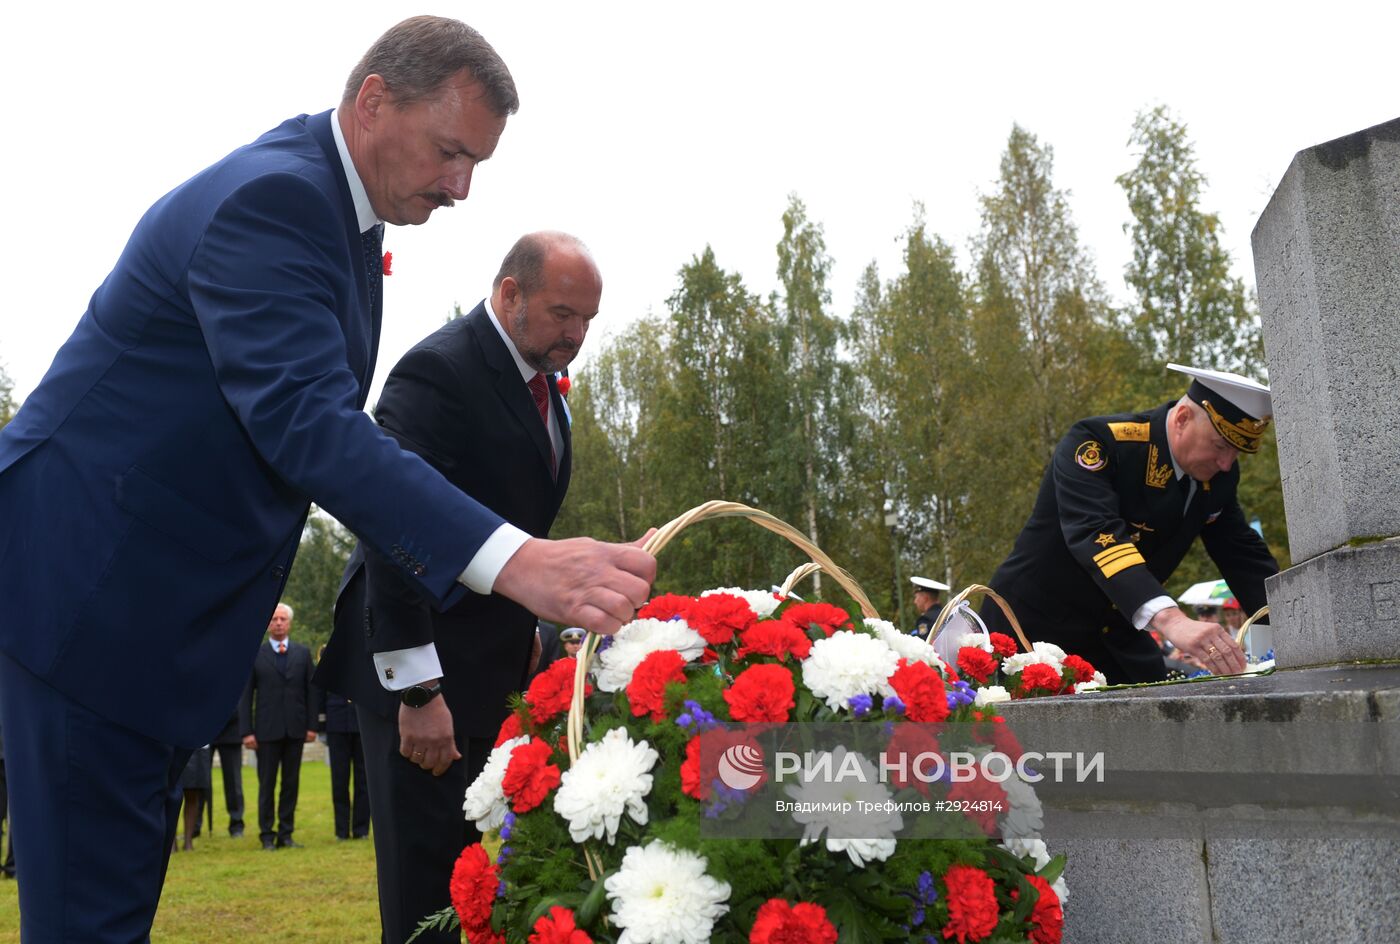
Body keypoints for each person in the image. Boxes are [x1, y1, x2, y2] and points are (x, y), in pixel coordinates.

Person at [0, 17, 654, 941]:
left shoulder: (338, 213)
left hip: (135, 620)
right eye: (449, 152)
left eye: (477, 164)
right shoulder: (276, 200)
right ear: (374, 99)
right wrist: (514, 560)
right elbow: (311, 425)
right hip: (90, 605)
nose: (462, 187)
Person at [318, 231, 601, 943]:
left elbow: (515, 535)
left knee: (480, 889)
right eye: (564, 313)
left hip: (487, 671)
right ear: (510, 294)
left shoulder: (542, 388)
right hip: (424, 673)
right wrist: (417, 691)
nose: (577, 334)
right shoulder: (439, 372)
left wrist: (531, 639)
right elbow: (391, 525)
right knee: (428, 903)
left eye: (588, 319)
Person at [981, 365, 1278, 684]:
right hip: (1031, 633)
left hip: (1114, 639)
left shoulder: (1219, 477)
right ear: (1182, 419)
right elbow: (1098, 534)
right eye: (1220, 446)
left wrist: (1285, 627)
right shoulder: (1100, 443)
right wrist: (1172, 620)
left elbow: (1242, 556)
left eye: (1237, 452)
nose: (1226, 463)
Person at [239, 604, 317, 850]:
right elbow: (245, 696)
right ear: (268, 624)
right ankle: (266, 835)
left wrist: (312, 726)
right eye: (274, 619)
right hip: (266, 731)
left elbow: (312, 693)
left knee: (290, 784)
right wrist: (247, 731)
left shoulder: (303, 654)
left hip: (295, 730)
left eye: (283, 619)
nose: (279, 623)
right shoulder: (255, 654)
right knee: (267, 784)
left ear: (290, 623)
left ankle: (286, 833)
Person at [316, 685, 371, 841]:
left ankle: (361, 830)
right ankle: (342, 831)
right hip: (336, 723)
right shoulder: (330, 660)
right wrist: (321, 725)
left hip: (361, 724)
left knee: (363, 781)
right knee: (339, 781)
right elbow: (321, 691)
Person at [208, 709, 246, 838]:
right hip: (204, 732)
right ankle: (194, 826)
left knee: (233, 782)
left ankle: (236, 824)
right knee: (199, 783)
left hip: (231, 731)